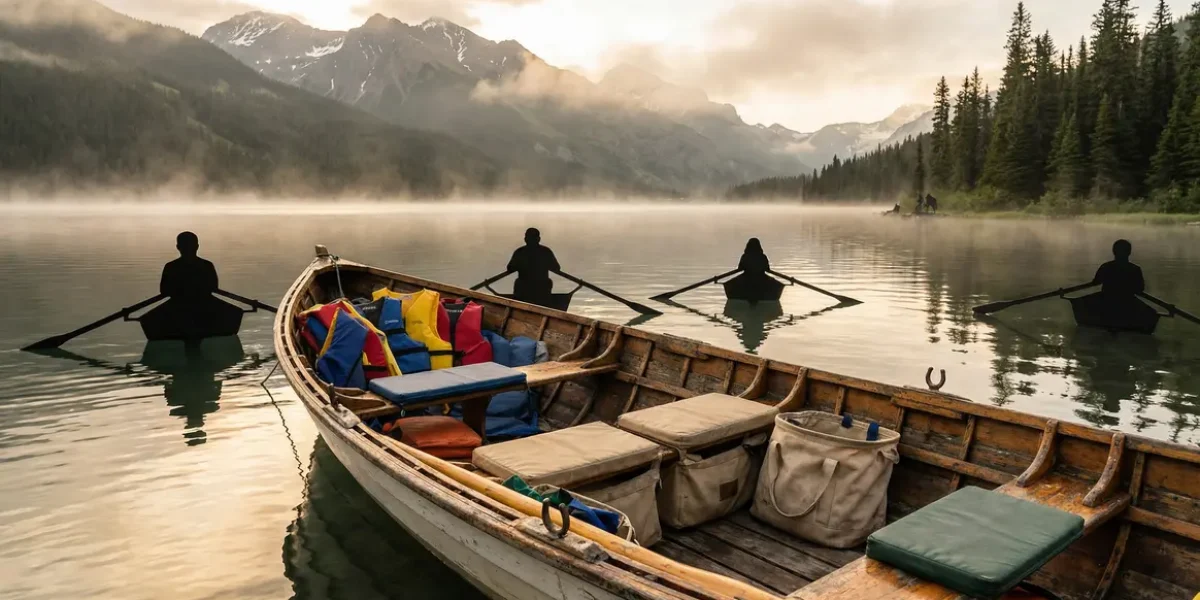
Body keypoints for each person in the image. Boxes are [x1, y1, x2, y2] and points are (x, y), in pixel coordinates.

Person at [160, 232, 218, 303]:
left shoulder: (170, 267)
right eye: (186, 246)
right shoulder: (207, 265)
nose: (188, 249)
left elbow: (164, 291)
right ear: (197, 247)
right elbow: (214, 288)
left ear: (178, 247)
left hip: (177, 305)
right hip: (205, 304)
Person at [507, 228, 560, 306]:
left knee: (518, 283)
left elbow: (510, 268)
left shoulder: (520, 252)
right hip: (541, 288)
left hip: (525, 288)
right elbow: (556, 268)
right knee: (547, 282)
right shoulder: (546, 252)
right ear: (538, 239)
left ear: (525, 239)